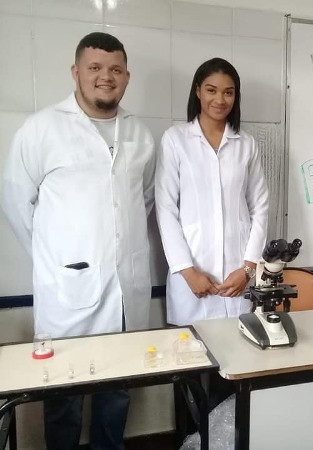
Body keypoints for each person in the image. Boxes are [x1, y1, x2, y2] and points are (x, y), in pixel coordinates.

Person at [1, 32, 155, 449]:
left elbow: (143, 201)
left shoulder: (140, 134)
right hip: (66, 294)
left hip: (125, 295)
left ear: (127, 76)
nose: (106, 77)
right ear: (76, 72)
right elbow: (15, 202)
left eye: (116, 69)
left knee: (118, 391)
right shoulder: (42, 129)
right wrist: (56, 259)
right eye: (95, 67)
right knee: (63, 397)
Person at [155, 57, 268, 325]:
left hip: (237, 277)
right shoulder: (175, 139)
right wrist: (187, 271)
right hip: (192, 277)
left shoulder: (246, 144)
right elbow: (165, 209)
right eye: (211, 90)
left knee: (240, 344)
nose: (220, 99)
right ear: (197, 91)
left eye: (228, 92)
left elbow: (260, 207)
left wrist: (248, 269)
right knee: (191, 347)